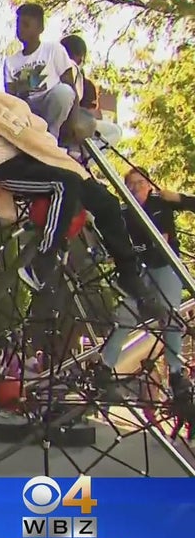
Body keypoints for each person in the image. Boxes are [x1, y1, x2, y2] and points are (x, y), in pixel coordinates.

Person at [0, 62, 164, 318]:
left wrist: (55, 152)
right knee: (62, 184)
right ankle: (44, 259)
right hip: (3, 170)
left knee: (107, 203)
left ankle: (129, 275)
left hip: (41, 157)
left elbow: (35, 127)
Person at [94, 169, 195, 401]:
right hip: (138, 269)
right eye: (130, 184)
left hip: (164, 265)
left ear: (149, 185)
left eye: (140, 183)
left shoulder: (161, 202)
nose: (136, 188)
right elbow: (109, 239)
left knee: (171, 316)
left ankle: (176, 372)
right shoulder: (123, 212)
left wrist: (179, 198)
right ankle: (105, 365)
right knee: (126, 315)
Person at [3, 3, 79, 138]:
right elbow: (10, 97)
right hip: (27, 110)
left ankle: (51, 136)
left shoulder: (54, 49)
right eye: (18, 25)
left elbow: (70, 85)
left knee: (64, 91)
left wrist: (74, 120)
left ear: (40, 28)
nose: (21, 29)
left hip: (49, 104)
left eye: (26, 25)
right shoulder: (10, 61)